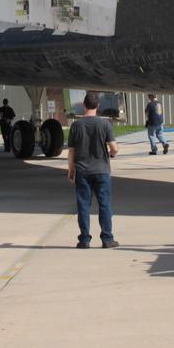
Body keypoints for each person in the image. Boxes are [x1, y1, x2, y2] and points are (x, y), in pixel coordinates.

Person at [68, 91, 118, 248]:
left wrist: (71, 170)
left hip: (83, 171)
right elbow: (114, 148)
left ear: (84, 105)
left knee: (83, 205)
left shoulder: (76, 125)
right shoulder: (105, 124)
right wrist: (111, 153)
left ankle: (84, 240)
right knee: (104, 205)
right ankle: (107, 239)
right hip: (102, 170)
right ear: (98, 106)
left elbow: (71, 151)